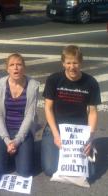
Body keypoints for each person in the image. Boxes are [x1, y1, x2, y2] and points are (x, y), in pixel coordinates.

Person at [41, 45, 101, 176]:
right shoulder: (54, 80)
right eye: (68, 63)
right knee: (50, 169)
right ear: (63, 63)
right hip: (56, 127)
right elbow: (48, 108)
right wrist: (56, 135)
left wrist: (90, 137)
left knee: (89, 173)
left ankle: (87, 150)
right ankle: (48, 146)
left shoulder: (91, 82)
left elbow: (92, 112)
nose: (72, 66)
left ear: (81, 62)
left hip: (78, 131)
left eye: (75, 62)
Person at [0, 53, 39, 177]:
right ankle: (10, 151)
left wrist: (17, 141)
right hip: (3, 129)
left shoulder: (33, 85)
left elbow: (30, 116)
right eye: (12, 65)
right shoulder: (0, 84)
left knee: (25, 172)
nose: (16, 68)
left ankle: (16, 151)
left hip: (23, 130)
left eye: (19, 64)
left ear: (24, 67)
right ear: (7, 69)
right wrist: (7, 141)